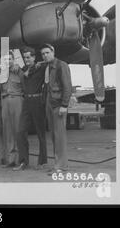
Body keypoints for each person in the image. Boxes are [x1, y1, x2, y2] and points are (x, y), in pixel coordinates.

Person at [40, 44, 73, 173]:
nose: (45, 55)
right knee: (54, 135)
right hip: (50, 102)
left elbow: (67, 86)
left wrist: (64, 105)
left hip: (58, 104)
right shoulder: (47, 67)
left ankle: (61, 166)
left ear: (53, 51)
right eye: (43, 54)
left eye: (47, 52)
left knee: (59, 136)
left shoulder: (61, 65)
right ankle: (57, 164)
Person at [15, 47, 48, 171]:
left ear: (34, 57)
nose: (26, 59)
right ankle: (23, 162)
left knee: (41, 133)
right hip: (26, 102)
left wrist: (37, 65)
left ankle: (42, 162)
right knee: (20, 132)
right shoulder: (24, 69)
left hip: (38, 101)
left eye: (29, 57)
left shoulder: (41, 67)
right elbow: (17, 65)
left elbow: (51, 61)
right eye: (25, 58)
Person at [0, 51, 25, 168]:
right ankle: (10, 160)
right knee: (7, 131)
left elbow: (25, 86)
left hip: (17, 99)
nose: (7, 61)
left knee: (17, 130)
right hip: (5, 100)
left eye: (9, 59)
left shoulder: (19, 71)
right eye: (5, 59)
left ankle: (19, 160)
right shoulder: (1, 73)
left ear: (13, 60)